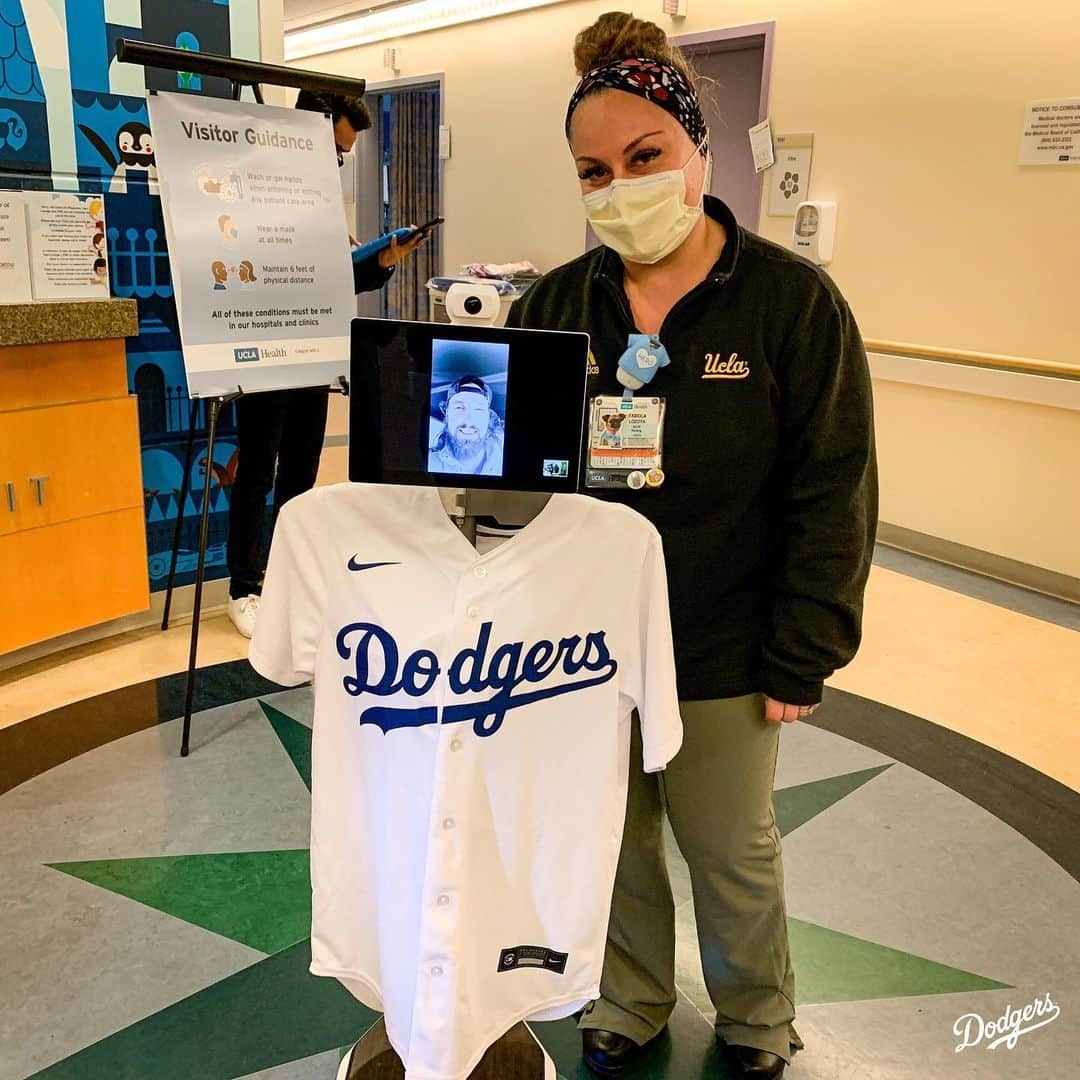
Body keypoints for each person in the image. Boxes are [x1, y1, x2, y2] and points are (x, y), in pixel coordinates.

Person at [506, 13, 877, 1080]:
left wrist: (805, 647)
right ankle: (628, 999)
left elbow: (835, 488)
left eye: (643, 159)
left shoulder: (789, 305)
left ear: (696, 151)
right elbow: (515, 486)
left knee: (731, 850)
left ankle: (758, 1017)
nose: (617, 187)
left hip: (725, 640)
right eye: (592, 170)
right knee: (615, 848)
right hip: (586, 647)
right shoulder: (554, 308)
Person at [226, 90, 425, 637]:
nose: (336, 163)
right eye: (334, 150)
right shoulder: (254, 189)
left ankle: (293, 578)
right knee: (256, 471)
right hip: (266, 352)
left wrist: (381, 258)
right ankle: (245, 586)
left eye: (341, 156)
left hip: (315, 353)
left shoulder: (319, 204)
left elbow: (339, 276)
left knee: (301, 474)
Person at [427, 374, 505, 476]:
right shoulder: (427, 463)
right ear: (447, 415)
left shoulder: (504, 462)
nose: (468, 421)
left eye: (478, 409)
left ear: (488, 418)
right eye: (459, 408)